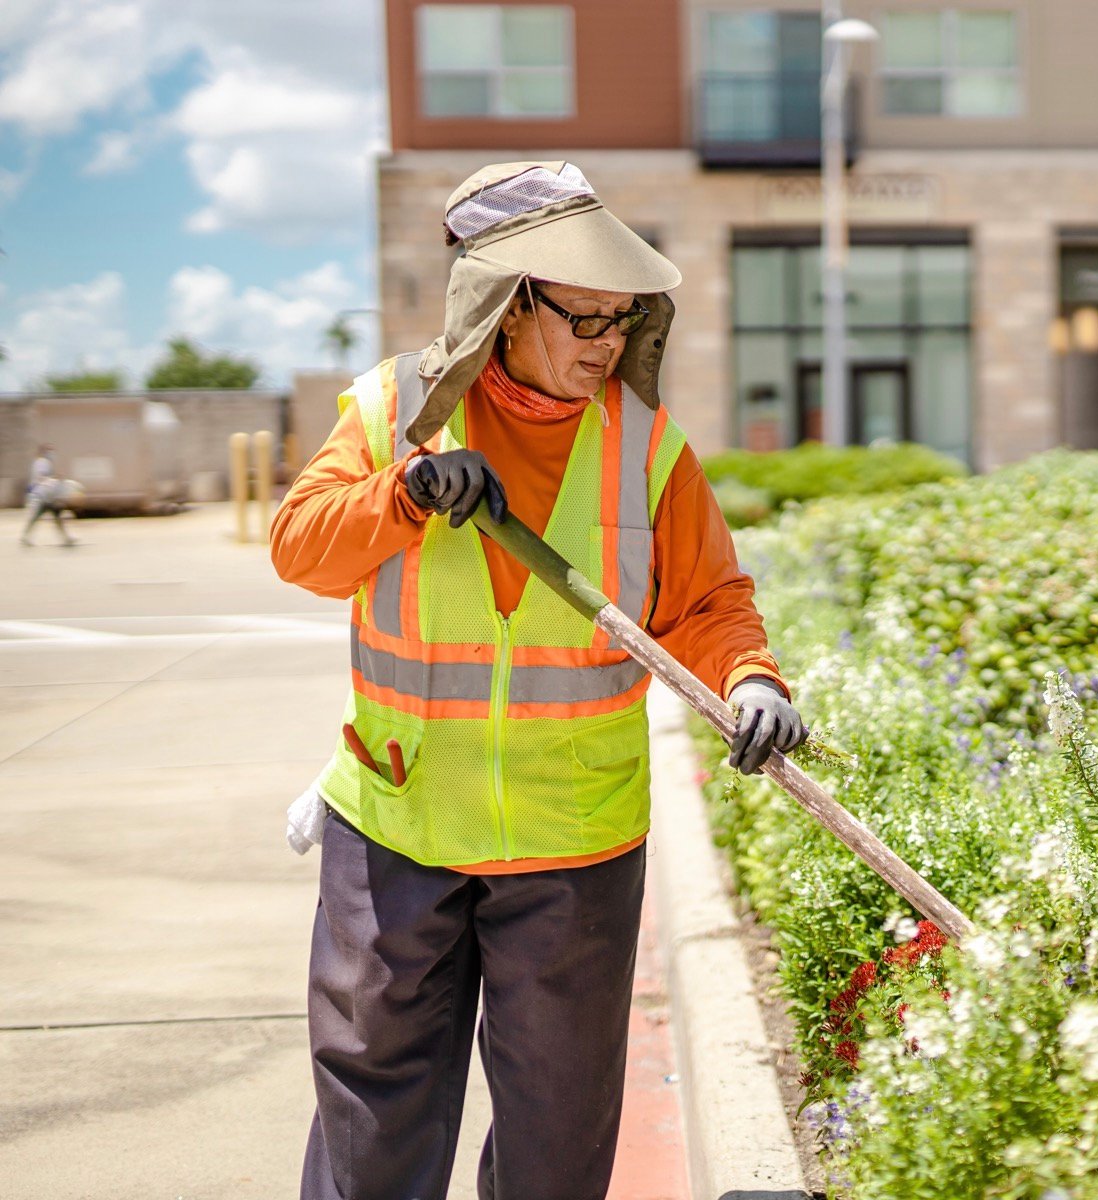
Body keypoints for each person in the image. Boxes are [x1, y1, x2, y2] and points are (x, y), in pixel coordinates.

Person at [270, 161, 807, 1200]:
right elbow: (302, 549)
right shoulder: (394, 416)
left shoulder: (649, 451)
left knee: (558, 1143)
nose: (606, 346)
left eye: (623, 321)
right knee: (371, 1121)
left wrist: (751, 680)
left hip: (575, 844)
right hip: (397, 824)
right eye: (584, 318)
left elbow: (708, 602)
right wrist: (405, 495)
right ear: (510, 305)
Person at [20, 444, 77, 546]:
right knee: (50, 517)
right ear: (44, 452)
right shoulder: (43, 462)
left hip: (45, 494)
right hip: (43, 495)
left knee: (53, 517)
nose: (52, 454)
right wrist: (56, 478)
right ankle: (66, 538)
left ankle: (25, 537)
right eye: (50, 451)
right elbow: (42, 477)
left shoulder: (41, 462)